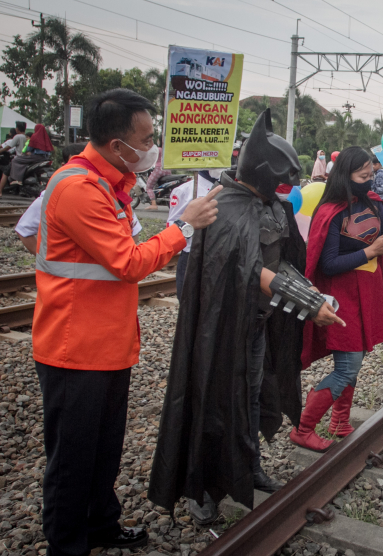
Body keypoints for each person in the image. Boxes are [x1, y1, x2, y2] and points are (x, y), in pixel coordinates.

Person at [33, 88, 220, 556]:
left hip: (108, 344)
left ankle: (100, 524)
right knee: (73, 459)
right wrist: (183, 227)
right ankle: (66, 543)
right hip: (75, 349)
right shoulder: (78, 188)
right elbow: (129, 262)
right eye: (147, 137)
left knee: (103, 452)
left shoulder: (110, 183)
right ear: (119, 144)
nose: (152, 146)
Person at [149, 109, 343, 524]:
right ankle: (202, 487)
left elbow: (282, 261)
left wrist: (310, 295)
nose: (285, 185)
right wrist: (309, 304)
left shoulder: (272, 207)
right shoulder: (225, 206)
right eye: (280, 177)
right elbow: (247, 268)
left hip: (256, 324)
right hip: (219, 330)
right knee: (212, 400)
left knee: (251, 398)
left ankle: (247, 465)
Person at [298, 146, 383, 451]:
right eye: (363, 174)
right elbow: (327, 263)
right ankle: (304, 427)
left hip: (366, 293)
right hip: (341, 296)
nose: (370, 179)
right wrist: (370, 252)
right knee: (348, 365)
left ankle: (339, 420)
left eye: (371, 173)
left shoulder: (373, 203)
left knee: (356, 360)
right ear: (345, 175)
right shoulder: (331, 211)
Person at [16, 143, 136, 255]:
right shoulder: (52, 195)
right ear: (65, 166)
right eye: (76, 162)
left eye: (86, 163)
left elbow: (134, 229)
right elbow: (24, 230)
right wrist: (46, 258)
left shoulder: (113, 193)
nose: (82, 168)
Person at [166, 172, 215, 298]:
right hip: (191, 255)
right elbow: (173, 225)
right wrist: (191, 224)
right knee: (187, 302)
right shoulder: (184, 190)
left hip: (219, 256)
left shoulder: (230, 188)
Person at [143, 139, 169, 210]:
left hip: (158, 169)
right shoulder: (167, 149)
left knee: (149, 187)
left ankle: (153, 204)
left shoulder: (158, 149)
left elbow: (149, 159)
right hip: (168, 170)